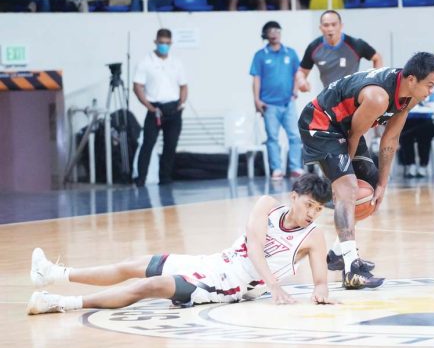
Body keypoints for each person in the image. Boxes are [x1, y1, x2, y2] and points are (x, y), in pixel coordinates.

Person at [27, 174, 337, 315]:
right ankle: (54, 274)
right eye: (309, 205)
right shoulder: (267, 204)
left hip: (230, 285)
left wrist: (320, 292)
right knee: (134, 264)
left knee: (149, 285)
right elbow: (254, 246)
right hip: (212, 263)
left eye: (318, 210)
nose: (312, 214)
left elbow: (320, 281)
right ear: (294, 197)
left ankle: (57, 302)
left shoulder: (314, 238)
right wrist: (275, 285)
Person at [298, 53, 434, 289]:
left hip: (346, 126)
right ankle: (351, 269)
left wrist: (382, 183)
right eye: (429, 85)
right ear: (412, 79)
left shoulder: (410, 96)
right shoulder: (378, 97)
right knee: (349, 188)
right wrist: (343, 177)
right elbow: (353, 136)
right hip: (321, 123)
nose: (431, 91)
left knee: (372, 190)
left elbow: (390, 139)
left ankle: (337, 254)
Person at [133, 28, 188, 187]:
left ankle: (165, 178)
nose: (164, 46)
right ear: (156, 42)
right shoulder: (146, 62)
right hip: (155, 109)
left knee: (170, 146)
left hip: (173, 108)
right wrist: (149, 106)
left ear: (171, 43)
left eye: (167, 43)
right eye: (161, 43)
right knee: (148, 144)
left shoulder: (176, 62)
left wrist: (181, 104)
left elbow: (184, 86)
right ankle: (141, 178)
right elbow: (137, 86)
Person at [250, 21, 304, 180]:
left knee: (294, 135)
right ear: (265, 35)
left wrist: (295, 91)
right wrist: (256, 100)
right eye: (270, 31)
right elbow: (256, 79)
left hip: (288, 102)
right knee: (272, 138)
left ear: (280, 32)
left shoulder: (290, 53)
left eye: (276, 30)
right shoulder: (260, 55)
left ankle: (295, 167)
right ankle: (277, 169)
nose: (274, 33)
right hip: (269, 105)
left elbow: (298, 73)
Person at [296, 10, 383, 91]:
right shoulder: (314, 47)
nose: (330, 28)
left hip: (352, 94)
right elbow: (302, 71)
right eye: (326, 25)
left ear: (341, 26)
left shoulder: (356, 44)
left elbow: (377, 58)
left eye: (334, 24)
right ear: (320, 27)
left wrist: (375, 82)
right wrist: (301, 81)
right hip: (329, 96)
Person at [398, 99, 434, 178]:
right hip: (408, 119)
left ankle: (423, 165)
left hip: (424, 119)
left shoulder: (430, 89)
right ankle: (410, 164)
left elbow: (433, 104)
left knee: (426, 132)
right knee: (405, 133)